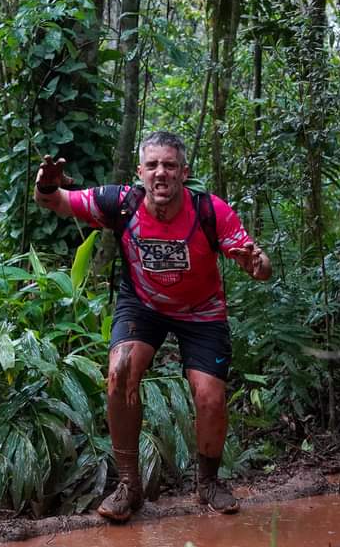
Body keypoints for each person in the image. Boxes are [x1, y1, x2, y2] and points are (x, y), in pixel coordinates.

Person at [34, 131, 271, 522]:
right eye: (153, 165)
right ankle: (129, 485)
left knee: (210, 396)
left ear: (184, 172)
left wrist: (256, 264)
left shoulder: (210, 210)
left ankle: (208, 483)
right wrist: (46, 182)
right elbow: (53, 201)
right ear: (140, 171)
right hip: (142, 305)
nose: (161, 173)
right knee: (119, 370)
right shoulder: (118, 202)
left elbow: (257, 263)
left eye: (170, 165)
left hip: (201, 309)